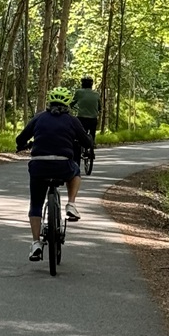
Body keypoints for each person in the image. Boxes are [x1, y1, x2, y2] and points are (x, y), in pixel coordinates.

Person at [16, 87, 94, 261]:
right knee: (75, 171)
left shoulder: (38, 118)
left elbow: (20, 138)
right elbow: (86, 142)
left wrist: (24, 144)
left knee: (35, 204)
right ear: (67, 105)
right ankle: (71, 204)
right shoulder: (72, 120)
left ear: (49, 103)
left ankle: (36, 243)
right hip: (63, 166)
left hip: (39, 166)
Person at [71, 76, 101, 159]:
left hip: (81, 118)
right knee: (92, 133)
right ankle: (91, 148)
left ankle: (78, 149)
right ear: (91, 85)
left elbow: (73, 103)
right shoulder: (96, 94)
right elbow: (99, 107)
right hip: (93, 119)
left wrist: (72, 107)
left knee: (79, 135)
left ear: (82, 84)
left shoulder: (79, 92)